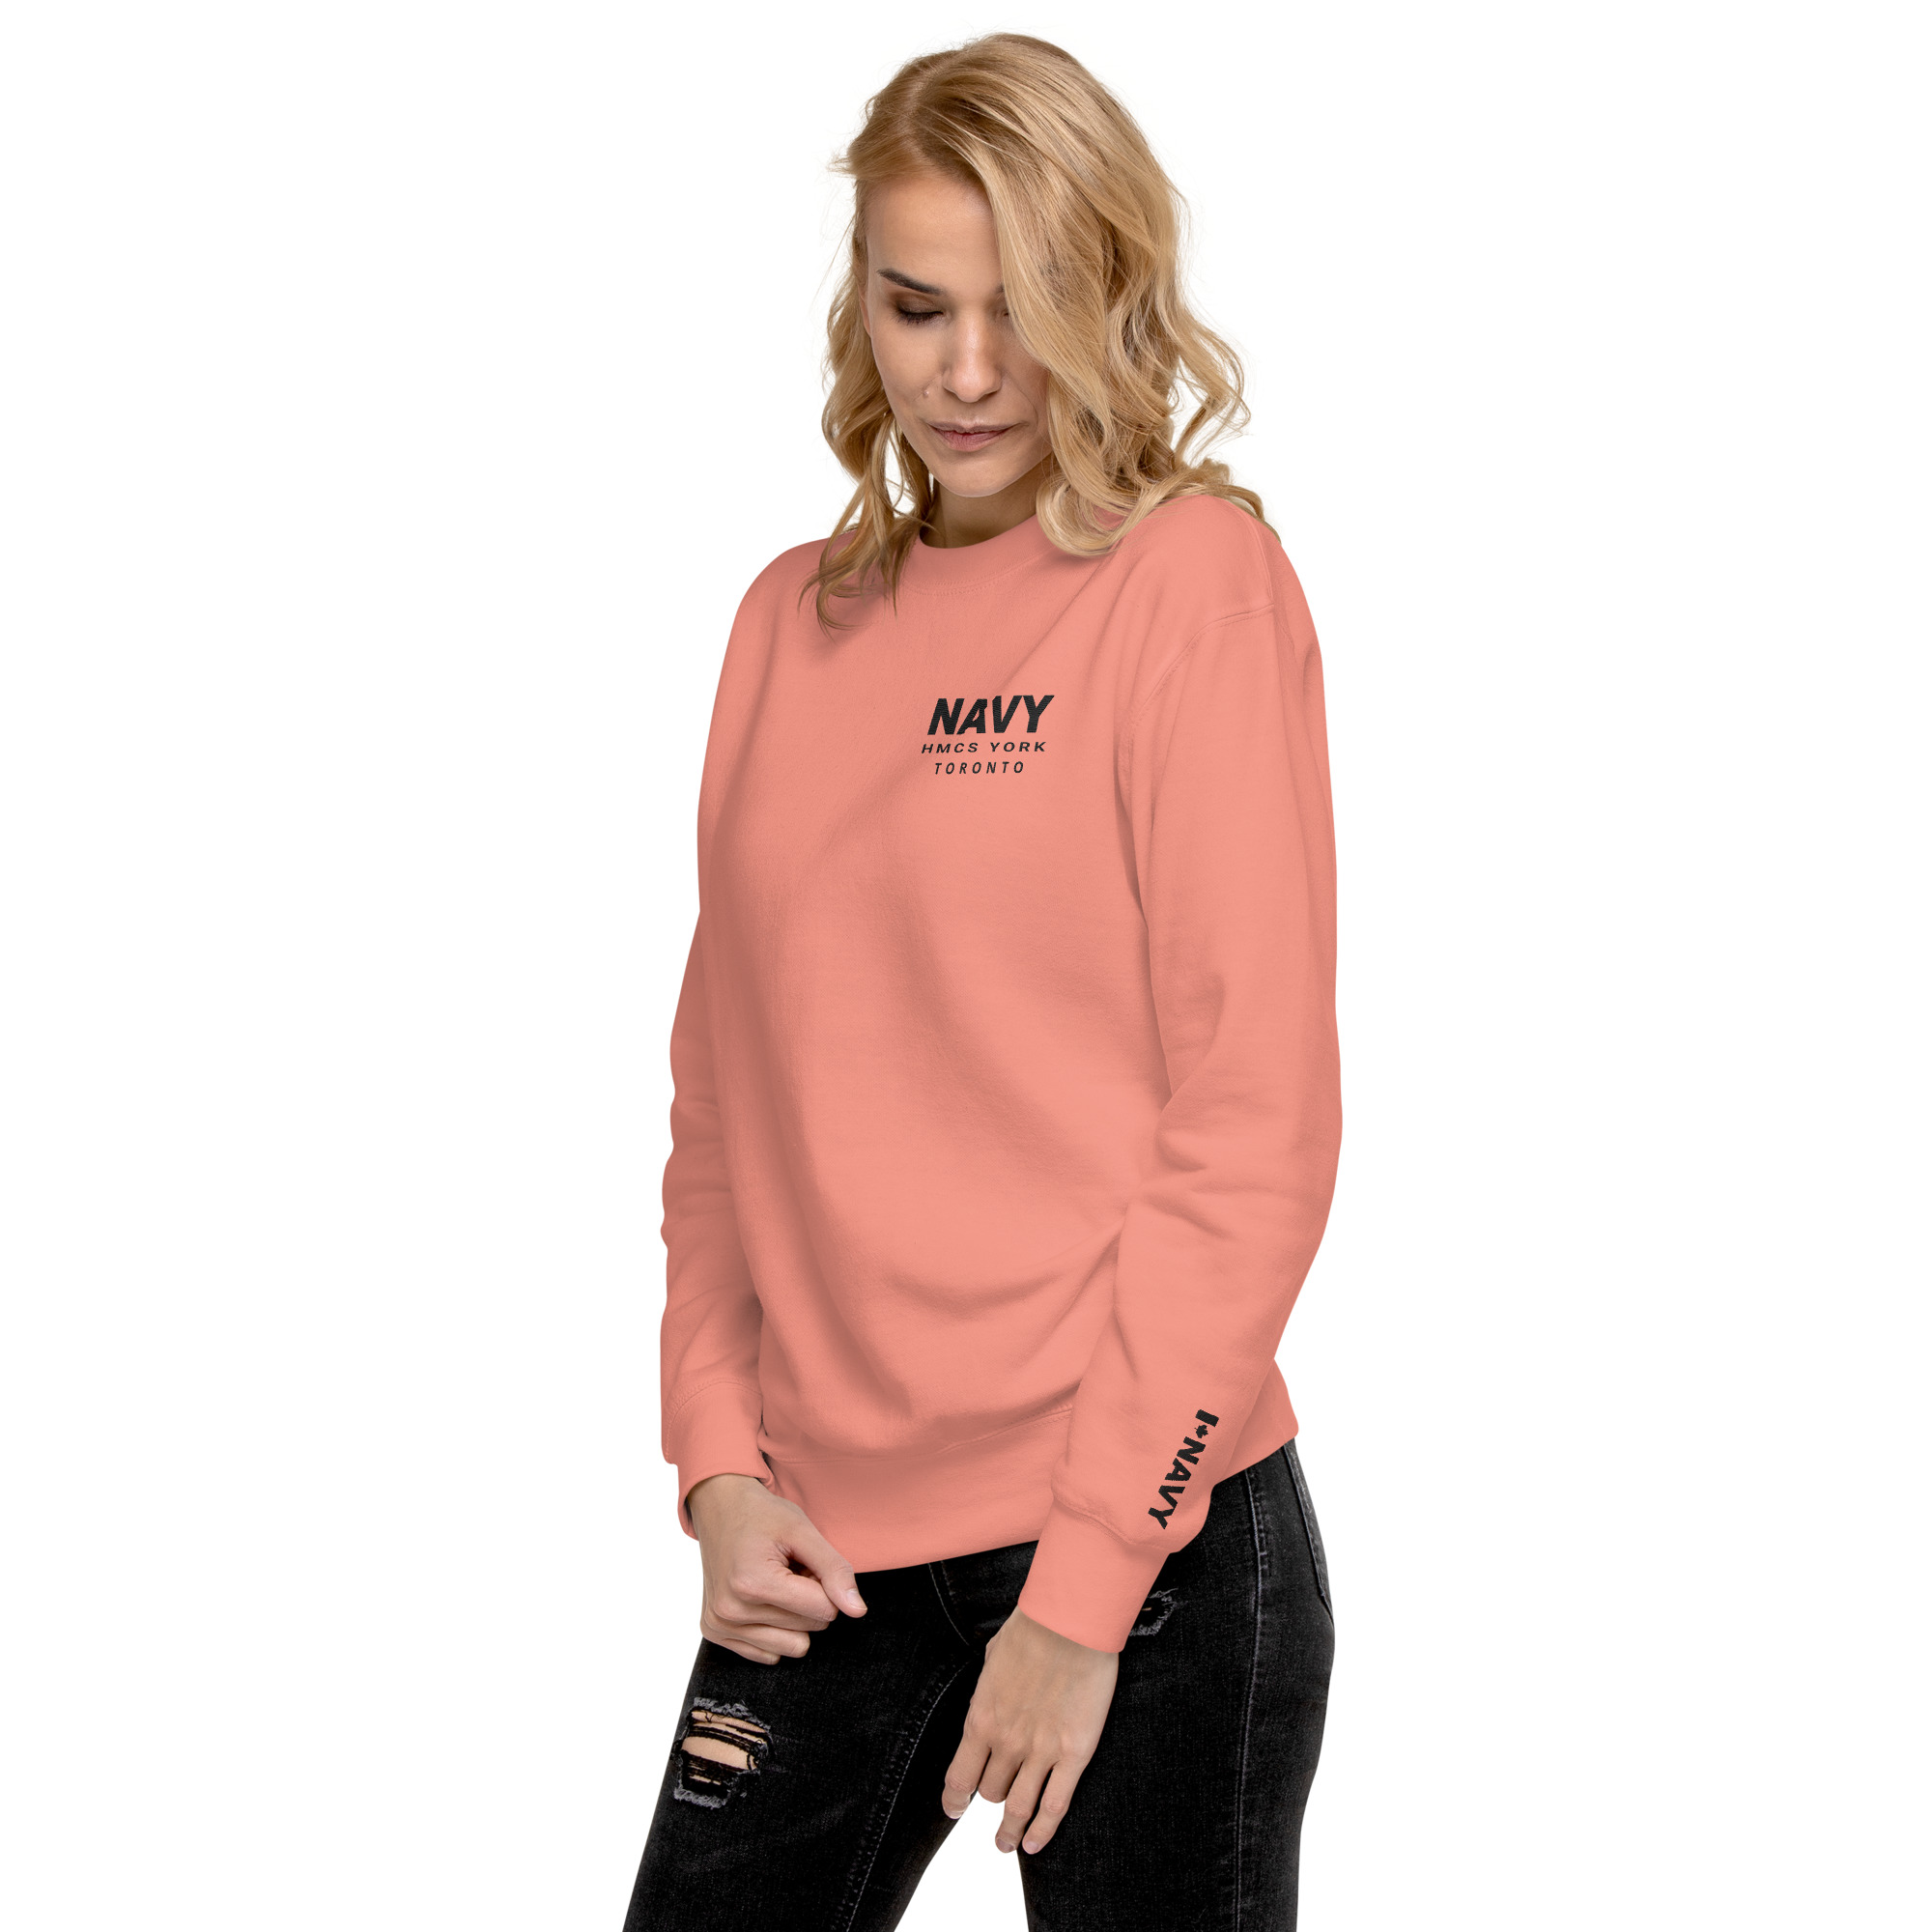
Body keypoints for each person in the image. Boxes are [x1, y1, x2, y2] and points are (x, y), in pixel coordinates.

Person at [621, 32, 1341, 1932]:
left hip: (1143, 1563)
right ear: (858, 303)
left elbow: (1254, 1131)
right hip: (821, 1558)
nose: (964, 372)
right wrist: (714, 1461)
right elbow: (724, 1099)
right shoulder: (788, 624)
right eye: (917, 304)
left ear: (1109, 289)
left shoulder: (1188, 587)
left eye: (1020, 306)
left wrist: (1084, 1592)